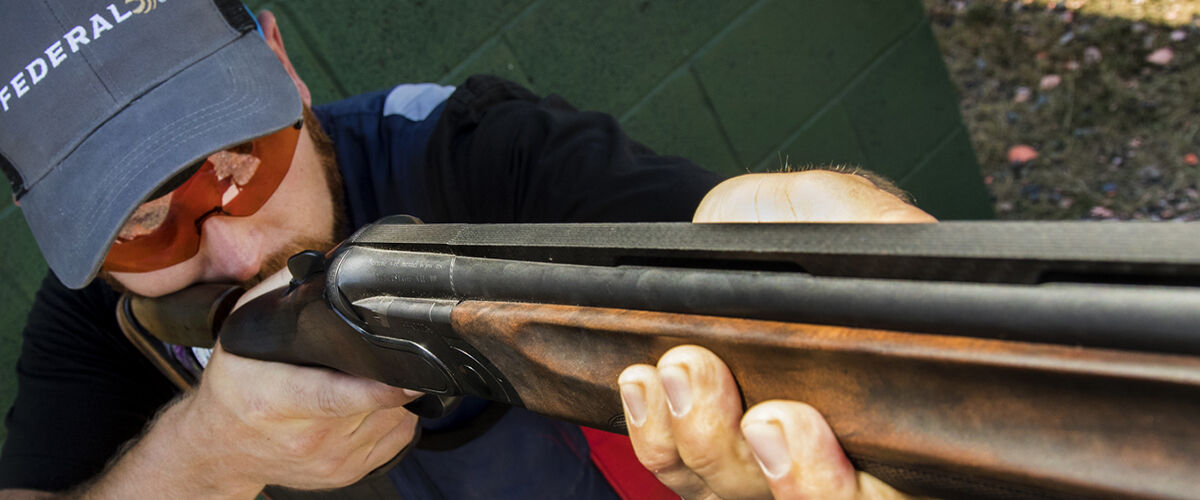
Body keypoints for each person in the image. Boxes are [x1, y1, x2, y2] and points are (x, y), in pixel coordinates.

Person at [0, 2, 934, 499]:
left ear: (282, 65)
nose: (239, 248)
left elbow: (702, 230)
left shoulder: (454, 144)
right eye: (137, 223)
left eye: (240, 158)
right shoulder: (98, 318)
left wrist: (810, 240)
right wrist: (206, 458)